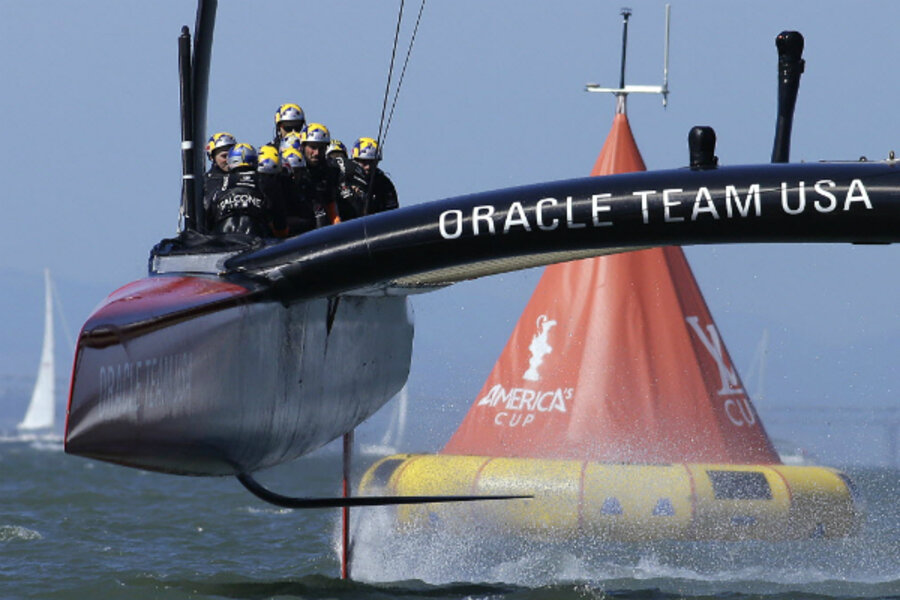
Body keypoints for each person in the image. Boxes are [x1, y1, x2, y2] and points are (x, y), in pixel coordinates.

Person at [207, 143, 283, 237]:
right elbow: (279, 217)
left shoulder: (218, 182)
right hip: (256, 238)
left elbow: (207, 209)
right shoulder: (264, 181)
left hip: (223, 237)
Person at [299, 123, 356, 225]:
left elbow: (332, 204)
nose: (316, 153)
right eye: (312, 147)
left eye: (321, 148)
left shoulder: (331, 170)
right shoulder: (295, 168)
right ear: (303, 146)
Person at [348, 137, 399, 215]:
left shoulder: (384, 183)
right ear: (355, 160)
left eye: (372, 162)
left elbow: (393, 213)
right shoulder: (345, 177)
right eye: (364, 162)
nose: (368, 167)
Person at [203, 131, 236, 209]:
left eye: (232, 155)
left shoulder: (246, 177)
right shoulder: (205, 182)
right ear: (212, 157)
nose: (229, 160)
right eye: (224, 156)